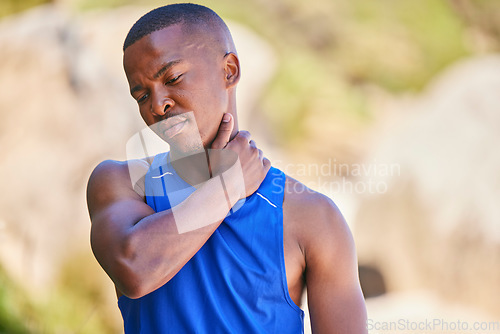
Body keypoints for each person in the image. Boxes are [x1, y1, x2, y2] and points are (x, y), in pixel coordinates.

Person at [87, 3, 367, 333]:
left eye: (173, 78)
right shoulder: (123, 184)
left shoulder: (313, 217)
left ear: (229, 71)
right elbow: (135, 269)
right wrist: (226, 187)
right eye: (141, 95)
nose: (157, 105)